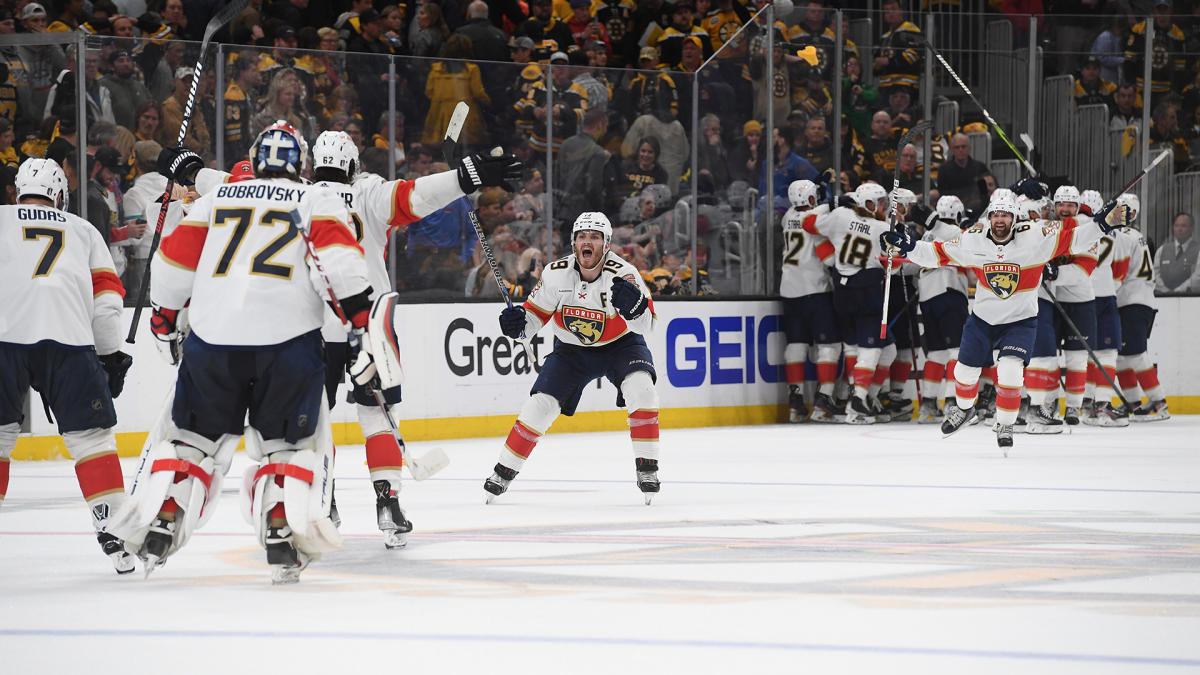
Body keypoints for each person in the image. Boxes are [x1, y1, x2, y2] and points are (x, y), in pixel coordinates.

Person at [112, 123, 374, 583]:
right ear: (302, 165)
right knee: (288, 446)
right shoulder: (315, 199)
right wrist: (357, 322)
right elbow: (340, 266)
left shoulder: (219, 199)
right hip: (289, 343)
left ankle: (168, 510)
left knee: (190, 439)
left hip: (213, 342)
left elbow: (172, 263)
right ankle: (280, 525)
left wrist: (165, 317)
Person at [883, 189, 1118, 448]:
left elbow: (1074, 239)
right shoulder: (975, 239)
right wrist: (909, 247)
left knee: (1009, 372)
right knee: (963, 371)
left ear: (1015, 218)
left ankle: (1005, 422)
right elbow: (938, 254)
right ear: (990, 217)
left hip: (1020, 320)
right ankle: (964, 409)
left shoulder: (1035, 237)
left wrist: (1102, 224)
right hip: (983, 319)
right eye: (996, 214)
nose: (999, 220)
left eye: (1005, 215)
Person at [0, 158, 136, 574]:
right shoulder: (82, 230)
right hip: (69, 343)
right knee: (92, 440)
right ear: (60, 195)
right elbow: (108, 304)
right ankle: (114, 532)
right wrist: (110, 356)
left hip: (5, 339)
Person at [486, 212, 661, 504]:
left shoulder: (625, 274)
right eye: (582, 236)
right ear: (573, 242)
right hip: (571, 350)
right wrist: (517, 325)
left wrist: (635, 309)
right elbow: (532, 320)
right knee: (540, 405)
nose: (587, 241)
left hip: (621, 345)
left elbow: (648, 326)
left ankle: (648, 469)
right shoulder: (555, 274)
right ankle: (503, 472)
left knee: (642, 388)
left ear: (606, 244)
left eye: (594, 236)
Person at [800, 183, 894, 424]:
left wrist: (830, 203)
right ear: (868, 204)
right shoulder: (882, 228)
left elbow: (808, 223)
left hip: (841, 290)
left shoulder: (840, 216)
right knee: (870, 349)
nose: (884, 206)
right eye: (880, 202)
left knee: (855, 347)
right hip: (868, 289)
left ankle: (862, 396)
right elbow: (896, 264)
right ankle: (858, 401)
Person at [778, 180, 840, 423]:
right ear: (812, 200)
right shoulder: (814, 222)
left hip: (789, 290)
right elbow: (829, 260)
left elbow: (810, 211)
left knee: (796, 344)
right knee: (830, 346)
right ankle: (824, 400)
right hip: (815, 289)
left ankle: (795, 401)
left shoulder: (787, 217)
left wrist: (821, 199)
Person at [1112, 195, 1170, 421]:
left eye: (1123, 210)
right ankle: (1133, 403)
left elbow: (1118, 274)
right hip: (1138, 301)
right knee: (1121, 358)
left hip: (1132, 302)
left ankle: (1158, 403)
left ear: (1133, 214)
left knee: (1135, 355)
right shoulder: (1135, 235)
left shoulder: (1123, 236)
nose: (1117, 212)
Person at [915, 195, 969, 424]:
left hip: (927, 296)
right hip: (949, 292)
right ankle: (951, 404)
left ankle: (928, 405)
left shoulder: (928, 234)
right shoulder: (956, 233)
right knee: (957, 351)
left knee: (936, 352)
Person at [935, 133, 989, 212]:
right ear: (952, 150)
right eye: (957, 147)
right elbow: (942, 194)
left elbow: (985, 193)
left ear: (969, 148)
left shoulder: (980, 167)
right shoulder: (944, 170)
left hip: (978, 209)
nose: (960, 150)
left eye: (963, 146)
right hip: (952, 209)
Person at [1154, 212, 1199, 293]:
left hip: (1190, 299)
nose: (1179, 229)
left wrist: (1178, 292)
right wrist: (1166, 291)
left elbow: (1197, 277)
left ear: (1192, 228)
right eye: (1176, 225)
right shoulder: (1162, 250)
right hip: (1163, 299)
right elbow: (1155, 275)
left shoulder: (1198, 250)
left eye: (1183, 226)